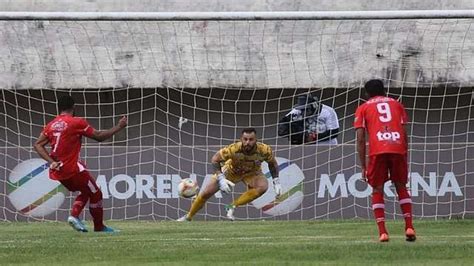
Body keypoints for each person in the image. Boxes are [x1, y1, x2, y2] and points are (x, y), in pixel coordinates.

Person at [34, 95, 127, 233]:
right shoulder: (76, 122)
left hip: (58, 172)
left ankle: (75, 216)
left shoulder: (51, 125)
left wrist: (52, 162)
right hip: (72, 170)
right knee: (96, 193)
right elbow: (99, 136)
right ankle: (97, 226)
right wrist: (119, 127)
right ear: (74, 107)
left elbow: (37, 144)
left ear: (59, 108)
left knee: (86, 191)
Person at [354, 79, 416, 242]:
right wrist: (404, 153)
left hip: (377, 150)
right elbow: (404, 133)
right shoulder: (397, 104)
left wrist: (363, 166)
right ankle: (409, 226)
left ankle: (383, 232)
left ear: (367, 94)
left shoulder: (363, 107)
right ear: (384, 90)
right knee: (401, 186)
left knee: (377, 189)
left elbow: (360, 138)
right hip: (397, 147)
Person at [177, 128, 281, 221]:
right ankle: (188, 217)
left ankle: (232, 205)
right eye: (245, 139)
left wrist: (276, 182)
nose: (247, 142)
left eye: (251, 139)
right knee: (205, 194)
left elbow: (273, 164)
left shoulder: (265, 150)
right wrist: (221, 178)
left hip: (252, 173)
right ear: (241, 139)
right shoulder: (234, 149)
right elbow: (215, 159)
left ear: (256, 140)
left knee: (263, 187)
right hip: (231, 171)